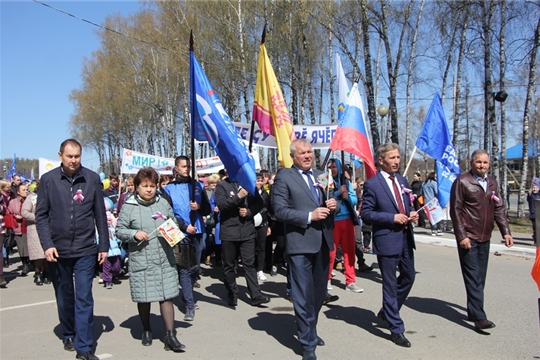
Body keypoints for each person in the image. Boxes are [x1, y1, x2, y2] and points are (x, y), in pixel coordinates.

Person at [35, 139, 109, 360]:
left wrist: (103, 245)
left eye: (77, 156)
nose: (74, 160)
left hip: (86, 249)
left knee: (84, 296)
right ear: (60, 156)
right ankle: (68, 331)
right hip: (57, 251)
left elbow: (100, 216)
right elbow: (41, 216)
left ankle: (84, 347)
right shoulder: (48, 180)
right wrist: (47, 245)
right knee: (64, 295)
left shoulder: (92, 179)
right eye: (69, 156)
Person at [271, 139, 339, 360]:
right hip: (299, 243)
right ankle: (307, 343)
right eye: (303, 153)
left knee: (319, 293)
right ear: (293, 156)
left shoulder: (322, 175)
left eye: (310, 152)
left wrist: (334, 206)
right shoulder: (284, 177)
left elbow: (332, 201)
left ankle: (310, 329)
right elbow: (279, 211)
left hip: (323, 241)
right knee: (302, 294)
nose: (308, 156)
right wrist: (310, 216)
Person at [115, 167, 185, 351]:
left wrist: (172, 231)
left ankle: (170, 335)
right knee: (144, 298)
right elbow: (119, 231)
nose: (149, 189)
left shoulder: (163, 203)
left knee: (166, 296)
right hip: (142, 259)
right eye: (145, 186)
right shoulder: (129, 206)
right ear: (137, 186)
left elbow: (173, 222)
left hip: (164, 258)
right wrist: (134, 233)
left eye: (152, 186)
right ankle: (146, 328)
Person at [361, 143, 418, 348]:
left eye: (398, 157)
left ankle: (387, 310)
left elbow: (407, 204)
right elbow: (366, 213)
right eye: (392, 158)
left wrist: (411, 213)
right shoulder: (373, 184)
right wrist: (392, 217)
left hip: (405, 238)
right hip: (386, 238)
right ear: (381, 161)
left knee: (409, 276)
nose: (396, 161)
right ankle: (396, 328)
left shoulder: (402, 180)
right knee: (390, 284)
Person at [450, 149, 513, 332]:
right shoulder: (462, 182)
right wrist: (462, 236)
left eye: (485, 163)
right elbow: (456, 211)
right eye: (478, 162)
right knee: (473, 277)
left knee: (480, 277)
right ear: (472, 163)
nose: (482, 166)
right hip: (469, 237)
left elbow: (499, 208)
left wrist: (506, 232)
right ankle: (479, 318)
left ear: (489, 165)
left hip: (485, 236)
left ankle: (473, 310)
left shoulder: (492, 182)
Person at [162, 155, 210, 321]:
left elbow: (207, 210)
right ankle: (189, 303)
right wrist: (184, 226)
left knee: (195, 266)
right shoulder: (168, 189)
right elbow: (166, 215)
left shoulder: (197, 185)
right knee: (185, 268)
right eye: (183, 166)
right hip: (180, 232)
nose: (186, 169)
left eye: (188, 166)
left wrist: (199, 206)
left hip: (197, 231)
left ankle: (185, 293)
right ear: (176, 168)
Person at [215, 171, 270, 307]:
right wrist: (238, 196)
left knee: (249, 264)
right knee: (229, 265)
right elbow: (222, 205)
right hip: (229, 231)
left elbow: (259, 202)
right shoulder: (222, 185)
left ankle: (256, 295)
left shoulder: (248, 183)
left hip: (247, 231)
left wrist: (249, 212)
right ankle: (232, 292)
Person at [326, 158, 363, 292]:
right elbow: (323, 199)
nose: (332, 169)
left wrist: (347, 195)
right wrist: (337, 193)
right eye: (330, 167)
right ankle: (327, 278)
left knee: (349, 251)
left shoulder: (345, 181)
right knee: (331, 252)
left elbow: (354, 199)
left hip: (347, 220)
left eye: (335, 167)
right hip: (332, 221)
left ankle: (350, 281)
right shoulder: (324, 181)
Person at [21, 181, 50, 285]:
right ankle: (38, 273)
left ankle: (47, 273)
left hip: (49, 227)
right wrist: (38, 218)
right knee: (38, 254)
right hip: (35, 228)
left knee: (48, 252)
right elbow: (24, 212)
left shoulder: (51, 196)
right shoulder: (32, 198)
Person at [8, 184, 30, 276]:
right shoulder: (13, 202)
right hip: (18, 227)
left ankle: (31, 262)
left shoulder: (31, 200)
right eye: (23, 190)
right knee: (21, 247)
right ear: (18, 192)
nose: (26, 191)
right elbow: (9, 213)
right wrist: (15, 216)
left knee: (29, 246)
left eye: (26, 189)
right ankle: (24, 264)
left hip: (29, 227)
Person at [254, 173, 271, 281]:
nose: (259, 183)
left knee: (261, 247)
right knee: (250, 247)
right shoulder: (249, 192)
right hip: (250, 223)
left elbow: (267, 208)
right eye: (257, 180)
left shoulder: (265, 194)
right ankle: (250, 268)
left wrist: (267, 224)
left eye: (261, 180)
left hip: (263, 223)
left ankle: (259, 270)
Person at [422, 172, 443, 236]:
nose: (436, 178)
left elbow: (422, 192)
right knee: (437, 215)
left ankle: (432, 230)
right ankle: (439, 229)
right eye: (435, 177)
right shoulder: (433, 183)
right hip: (433, 201)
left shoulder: (424, 184)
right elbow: (436, 192)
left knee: (430, 216)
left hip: (426, 201)